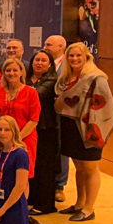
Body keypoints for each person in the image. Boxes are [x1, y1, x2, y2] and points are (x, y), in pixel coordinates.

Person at [55, 42, 113, 221]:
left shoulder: (96, 78)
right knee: (79, 167)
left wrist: (94, 130)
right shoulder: (66, 78)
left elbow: (105, 107)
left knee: (90, 167)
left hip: (89, 129)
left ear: (87, 57)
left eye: (78, 56)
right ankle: (79, 204)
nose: (75, 59)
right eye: (71, 56)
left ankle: (89, 209)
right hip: (70, 127)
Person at [0, 117, 67, 224]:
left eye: (7, 130)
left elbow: (20, 186)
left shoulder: (21, 154)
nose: (2, 133)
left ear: (14, 132)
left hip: (13, 204)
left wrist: (3, 210)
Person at [0, 60, 40, 181]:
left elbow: (34, 120)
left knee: (23, 177)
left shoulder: (31, 92)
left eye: (15, 70)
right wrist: (3, 135)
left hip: (24, 139)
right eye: (8, 70)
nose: (11, 73)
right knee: (3, 173)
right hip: (2, 140)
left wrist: (16, 139)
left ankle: (22, 200)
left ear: (21, 72)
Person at [26, 49, 59, 215]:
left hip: (46, 130)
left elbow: (35, 95)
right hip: (29, 129)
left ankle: (45, 205)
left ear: (50, 64)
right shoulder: (26, 78)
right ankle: (32, 199)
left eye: (43, 60)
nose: (39, 63)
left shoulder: (51, 80)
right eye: (36, 60)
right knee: (33, 166)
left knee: (45, 168)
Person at [44, 35, 70, 203]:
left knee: (61, 149)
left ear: (61, 47)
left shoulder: (67, 66)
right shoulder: (44, 63)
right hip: (46, 114)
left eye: (49, 45)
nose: (45, 47)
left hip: (63, 114)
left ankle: (60, 185)